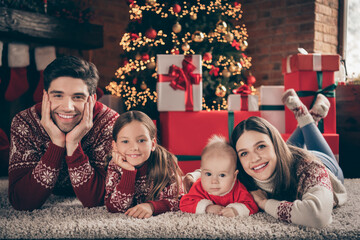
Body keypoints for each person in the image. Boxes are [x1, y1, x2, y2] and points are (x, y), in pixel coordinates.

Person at [8, 56, 119, 211]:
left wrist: (73, 144)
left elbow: (97, 200)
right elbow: (21, 201)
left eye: (78, 97)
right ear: (45, 96)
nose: (68, 107)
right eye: (58, 95)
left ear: (92, 100)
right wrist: (57, 144)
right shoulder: (24, 122)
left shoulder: (110, 123)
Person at [230, 89, 347, 228]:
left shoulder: (310, 168)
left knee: (291, 153)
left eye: (261, 146)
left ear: (274, 145)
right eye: (244, 153)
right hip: (286, 155)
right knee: (285, 151)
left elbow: (317, 216)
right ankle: (312, 116)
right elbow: (212, 171)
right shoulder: (241, 172)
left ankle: (305, 115)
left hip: (324, 162)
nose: (254, 158)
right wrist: (196, 177)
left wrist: (264, 203)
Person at [104, 110, 184, 219]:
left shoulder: (165, 163)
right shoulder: (115, 165)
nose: (134, 147)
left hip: (186, 183)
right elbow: (115, 208)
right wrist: (128, 172)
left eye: (141, 140)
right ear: (115, 146)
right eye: (125, 141)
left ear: (152, 144)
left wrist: (152, 206)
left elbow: (180, 202)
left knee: (193, 182)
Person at [180, 135, 258, 217]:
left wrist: (235, 210)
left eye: (222, 175)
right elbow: (184, 203)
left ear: (234, 176)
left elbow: (252, 205)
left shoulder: (239, 189)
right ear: (202, 172)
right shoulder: (199, 186)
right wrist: (207, 207)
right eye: (208, 174)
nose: (214, 181)